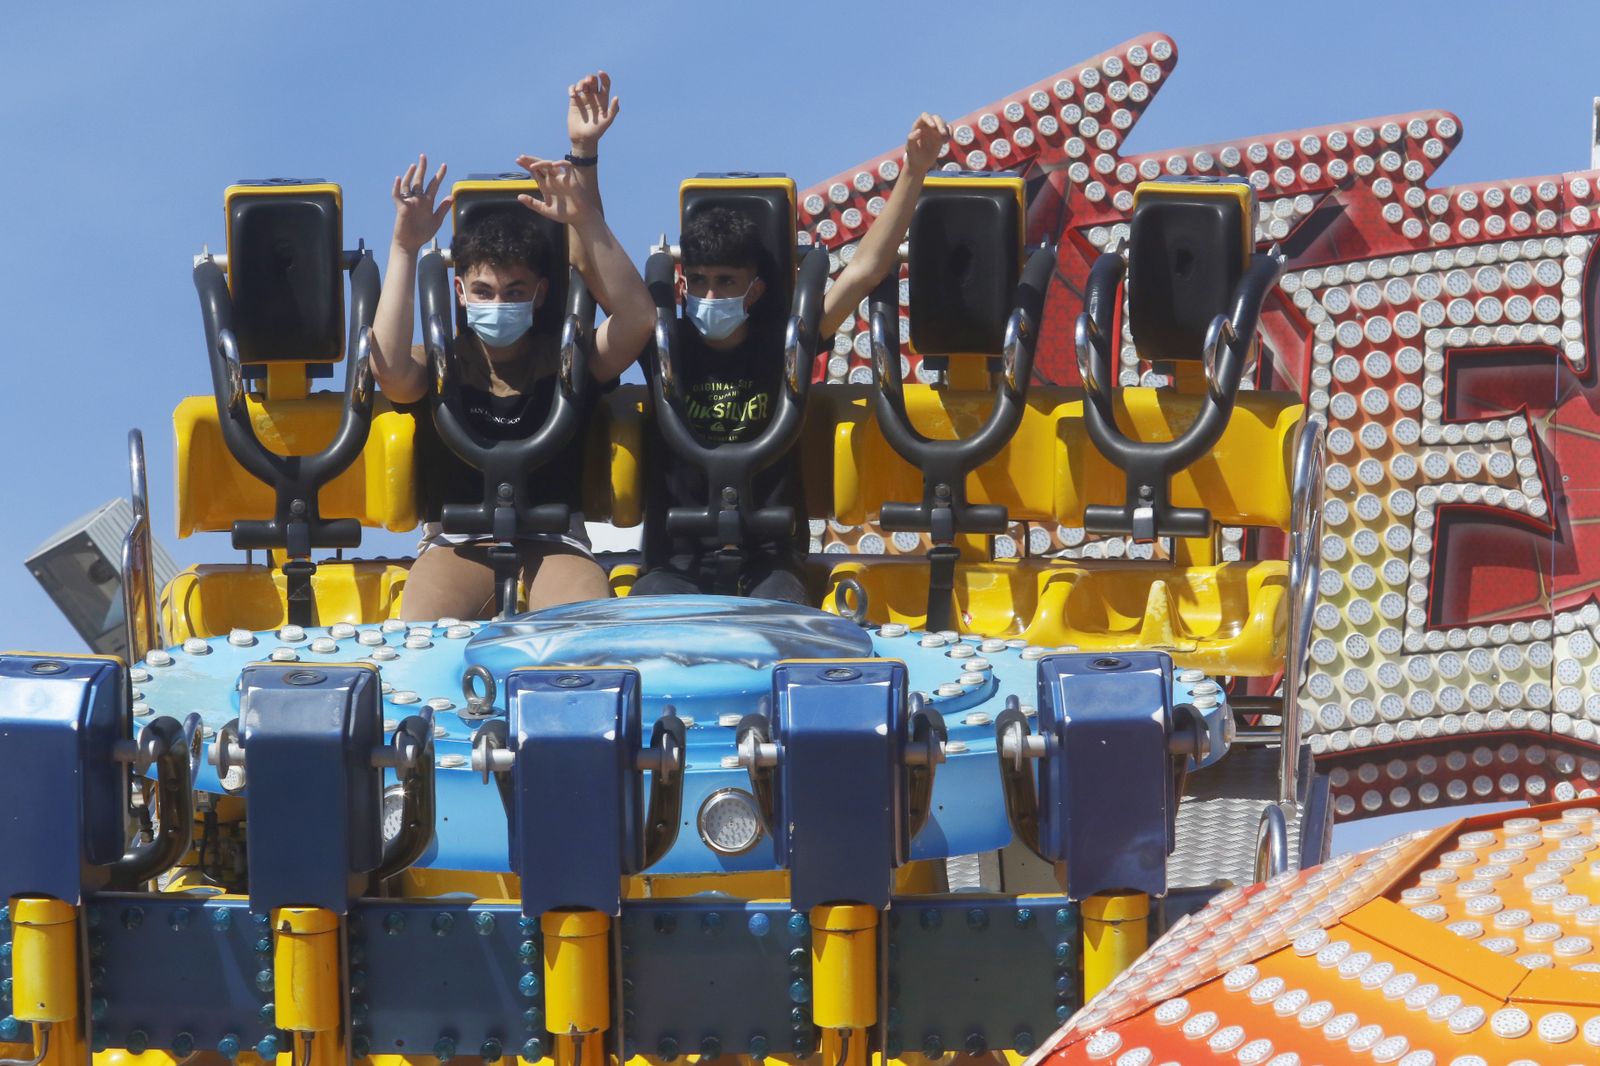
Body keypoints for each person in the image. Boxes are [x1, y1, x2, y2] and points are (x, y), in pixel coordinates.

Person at [631, 113, 952, 601]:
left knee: (780, 630)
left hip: (770, 562)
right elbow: (604, 276)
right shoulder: (664, 345)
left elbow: (865, 270)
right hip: (675, 562)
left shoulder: (788, 342)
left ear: (755, 289)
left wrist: (914, 169)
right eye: (697, 282)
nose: (709, 294)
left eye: (725, 282)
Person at [371, 74, 653, 620]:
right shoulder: (442, 362)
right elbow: (387, 370)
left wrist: (585, 209)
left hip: (554, 541)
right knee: (421, 638)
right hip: (457, 541)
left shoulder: (569, 360)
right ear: (461, 292)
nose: (498, 302)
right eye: (483, 291)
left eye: (514, 292)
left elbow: (638, 318)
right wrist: (404, 247)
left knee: (583, 636)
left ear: (540, 293)